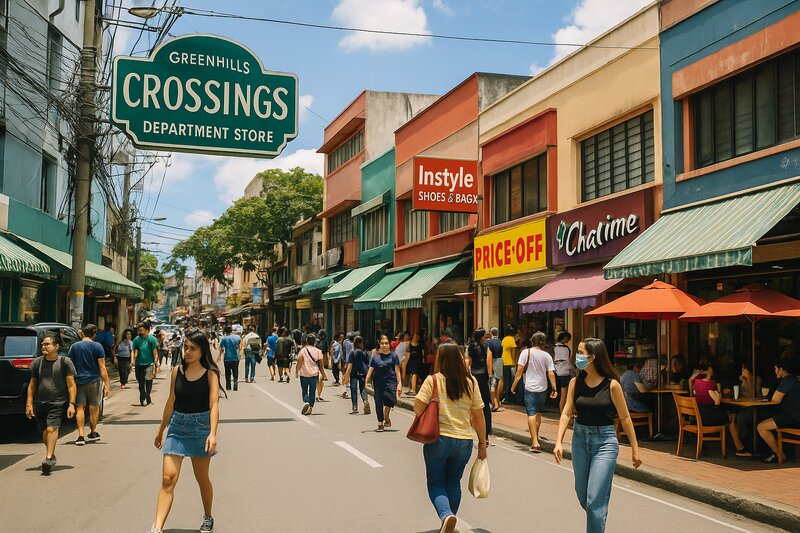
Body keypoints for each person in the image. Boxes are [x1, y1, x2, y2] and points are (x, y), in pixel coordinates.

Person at [554, 338, 642, 533]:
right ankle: (598, 515)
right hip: (579, 439)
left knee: (594, 500)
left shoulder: (612, 385)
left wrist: (635, 450)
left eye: (580, 352)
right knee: (582, 494)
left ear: (593, 357)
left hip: (605, 442)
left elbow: (625, 418)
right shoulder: (575, 382)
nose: (576, 356)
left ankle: (596, 519)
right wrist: (558, 442)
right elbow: (567, 412)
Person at [151, 330, 221, 533]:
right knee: (168, 478)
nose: (187, 352)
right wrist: (161, 429)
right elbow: (171, 401)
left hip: (201, 427)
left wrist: (213, 433)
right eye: (186, 347)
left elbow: (214, 404)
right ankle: (157, 528)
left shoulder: (210, 373)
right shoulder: (177, 371)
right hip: (177, 427)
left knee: (202, 478)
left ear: (202, 351)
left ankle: (208, 516)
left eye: (193, 348)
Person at [414, 342, 487, 533]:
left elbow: (418, 408)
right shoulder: (471, 382)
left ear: (441, 359)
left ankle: (446, 516)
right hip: (464, 441)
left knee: (436, 483)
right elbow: (478, 416)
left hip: (439, 440)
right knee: (453, 482)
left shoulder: (433, 381)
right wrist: (482, 444)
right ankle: (449, 522)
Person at [26, 335, 77, 474]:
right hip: (40, 402)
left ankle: (48, 459)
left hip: (58, 402)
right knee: (44, 433)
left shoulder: (65, 362)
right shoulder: (37, 363)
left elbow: (71, 385)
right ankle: (52, 454)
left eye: (47, 344)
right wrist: (29, 403)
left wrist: (72, 404)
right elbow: (32, 385)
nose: (44, 346)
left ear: (56, 347)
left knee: (51, 429)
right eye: (43, 344)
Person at [511, 332, 558, 452]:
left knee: (531, 413)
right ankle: (535, 436)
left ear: (532, 341)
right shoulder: (546, 355)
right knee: (538, 412)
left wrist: (514, 385)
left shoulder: (525, 352)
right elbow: (551, 373)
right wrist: (554, 387)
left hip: (530, 387)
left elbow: (519, 371)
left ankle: (535, 441)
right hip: (543, 387)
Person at [67, 324, 111, 446]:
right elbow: (102, 367)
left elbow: (69, 365)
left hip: (78, 381)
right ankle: (93, 431)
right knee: (94, 406)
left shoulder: (74, 346)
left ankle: (80, 436)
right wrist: (107, 384)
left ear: (82, 333)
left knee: (80, 407)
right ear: (94, 334)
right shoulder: (98, 346)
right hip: (94, 380)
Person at [757, 357, 800, 463]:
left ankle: (779, 454)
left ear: (782, 369)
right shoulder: (793, 379)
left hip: (792, 417)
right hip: (793, 415)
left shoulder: (787, 380)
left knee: (761, 427)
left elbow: (775, 400)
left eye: (776, 368)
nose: (775, 371)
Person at [365, 335, 402, 432]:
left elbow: (397, 371)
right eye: (382, 343)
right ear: (379, 344)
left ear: (389, 344)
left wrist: (400, 383)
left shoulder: (394, 356)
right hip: (378, 383)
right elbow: (370, 370)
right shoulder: (375, 357)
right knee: (378, 403)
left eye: (386, 343)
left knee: (390, 399)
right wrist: (366, 382)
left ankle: (386, 416)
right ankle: (380, 424)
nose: (384, 345)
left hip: (391, 382)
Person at [467, 328, 492, 445]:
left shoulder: (471, 347)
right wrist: (490, 376)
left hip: (473, 378)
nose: (485, 338)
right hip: (483, 379)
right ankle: (485, 435)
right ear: (481, 337)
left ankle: (469, 432)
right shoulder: (486, 348)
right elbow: (488, 364)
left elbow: (468, 363)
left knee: (471, 406)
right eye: (484, 336)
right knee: (485, 406)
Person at [295, 333, 324, 415]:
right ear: (314, 342)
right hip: (314, 374)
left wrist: (297, 371)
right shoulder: (318, 351)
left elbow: (299, 361)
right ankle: (311, 407)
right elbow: (321, 365)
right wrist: (323, 374)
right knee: (312, 391)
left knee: (304, 390)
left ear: (306, 341)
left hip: (304, 374)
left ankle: (306, 402)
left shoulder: (302, 350)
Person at [133, 322, 159, 407]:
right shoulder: (136, 339)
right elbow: (134, 350)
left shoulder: (152, 339)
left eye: (142, 330)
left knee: (148, 381)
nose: (140, 332)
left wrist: (155, 362)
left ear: (147, 330)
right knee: (140, 382)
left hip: (149, 363)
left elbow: (155, 352)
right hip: (139, 364)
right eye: (139, 330)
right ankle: (142, 397)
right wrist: (133, 360)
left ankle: (147, 395)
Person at [344, 336, 371, 415]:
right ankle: (365, 401)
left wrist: (346, 376)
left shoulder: (353, 353)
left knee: (354, 390)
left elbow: (350, 366)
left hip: (354, 374)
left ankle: (355, 407)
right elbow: (369, 364)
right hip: (363, 374)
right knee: (363, 389)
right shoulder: (364, 353)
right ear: (361, 344)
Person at [554, 332, 575, 413]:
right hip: (565, 373)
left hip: (556, 373)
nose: (569, 340)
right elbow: (568, 361)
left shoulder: (554, 347)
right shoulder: (566, 348)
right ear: (564, 338)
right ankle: (563, 412)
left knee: (561, 395)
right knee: (564, 396)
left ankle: (562, 411)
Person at [486, 327, 503, 412]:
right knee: (497, 382)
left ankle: (495, 403)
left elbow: (488, 357)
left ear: (491, 333)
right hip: (500, 362)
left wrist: (489, 369)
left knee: (492, 384)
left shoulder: (489, 343)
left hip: (493, 363)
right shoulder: (501, 342)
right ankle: (497, 401)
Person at [219, 326, 241, 391]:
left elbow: (222, 349)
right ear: (231, 331)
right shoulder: (237, 337)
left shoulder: (224, 339)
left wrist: (219, 356)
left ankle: (228, 386)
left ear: (225, 332)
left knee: (227, 372)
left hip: (227, 358)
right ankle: (235, 383)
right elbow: (239, 346)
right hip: (235, 357)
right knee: (235, 371)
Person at [501, 326, 519, 403]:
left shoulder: (504, 339)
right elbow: (513, 352)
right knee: (511, 381)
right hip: (510, 363)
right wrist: (515, 362)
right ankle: (509, 397)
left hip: (504, 362)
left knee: (506, 380)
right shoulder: (512, 340)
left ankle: (505, 396)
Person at [406, 332, 425, 396]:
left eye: (417, 336)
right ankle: (411, 389)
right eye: (415, 336)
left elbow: (422, 353)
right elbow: (406, 352)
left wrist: (423, 359)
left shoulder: (420, 345)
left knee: (414, 374)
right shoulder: (409, 343)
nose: (416, 337)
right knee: (411, 375)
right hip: (411, 360)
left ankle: (413, 390)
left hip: (417, 361)